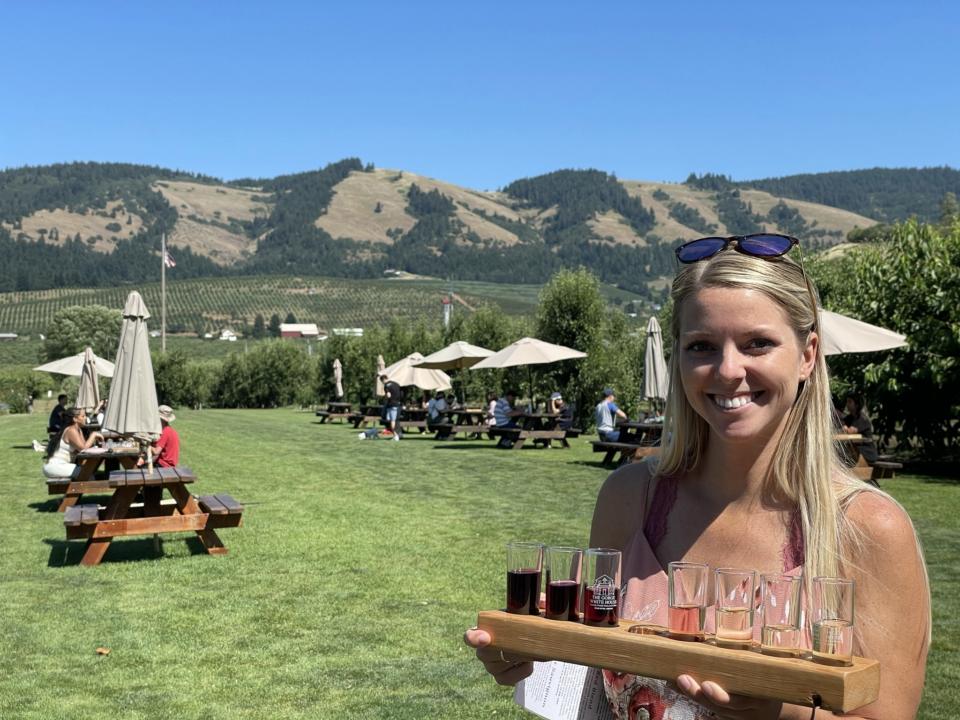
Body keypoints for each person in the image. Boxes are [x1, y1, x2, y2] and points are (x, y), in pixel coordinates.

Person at [466, 234, 930, 718]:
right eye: (702, 346)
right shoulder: (629, 498)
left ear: (808, 355)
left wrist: (779, 711)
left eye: (758, 344)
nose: (729, 370)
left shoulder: (869, 528)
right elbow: (598, 685)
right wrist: (532, 651)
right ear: (679, 359)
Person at [42, 406, 103, 478]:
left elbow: (83, 451)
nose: (85, 418)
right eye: (83, 416)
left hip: (60, 465)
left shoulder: (78, 430)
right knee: (87, 474)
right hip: (55, 466)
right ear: (75, 419)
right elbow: (83, 448)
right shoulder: (71, 430)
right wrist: (93, 435)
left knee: (87, 473)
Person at [842, 393, 879, 465]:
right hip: (856, 450)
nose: (847, 404)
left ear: (857, 405)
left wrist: (845, 428)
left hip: (867, 452)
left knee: (846, 452)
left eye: (850, 402)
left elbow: (850, 431)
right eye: (847, 402)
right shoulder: (848, 418)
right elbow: (842, 427)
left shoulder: (862, 419)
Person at [380, 373, 403, 441]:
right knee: (390, 420)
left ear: (383, 380)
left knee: (392, 421)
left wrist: (386, 397)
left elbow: (388, 395)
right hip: (398, 404)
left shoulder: (386, 385)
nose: (382, 383)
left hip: (392, 404)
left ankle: (396, 436)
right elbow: (401, 393)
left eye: (382, 381)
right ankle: (396, 435)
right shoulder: (396, 384)